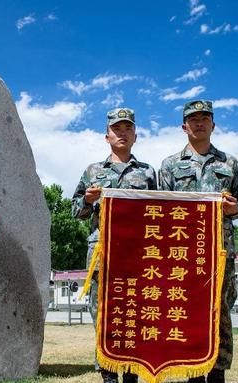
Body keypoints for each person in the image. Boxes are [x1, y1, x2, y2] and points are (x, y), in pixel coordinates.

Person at [158, 100, 238, 383]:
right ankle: (193, 371)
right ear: (184, 126)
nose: (199, 123)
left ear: (213, 124)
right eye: (193, 119)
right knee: (187, 311)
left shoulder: (229, 163)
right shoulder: (170, 165)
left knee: (220, 311)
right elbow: (161, 209)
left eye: (204, 118)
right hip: (184, 253)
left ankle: (218, 372)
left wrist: (235, 208)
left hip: (220, 251)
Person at [72, 107, 157, 383]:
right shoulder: (93, 171)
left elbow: (162, 212)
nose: (122, 133)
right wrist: (87, 200)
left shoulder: (148, 173)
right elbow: (75, 211)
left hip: (137, 254)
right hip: (102, 252)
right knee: (103, 313)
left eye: (127, 129)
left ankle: (132, 373)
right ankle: (107, 374)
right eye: (116, 129)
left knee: (134, 311)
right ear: (106, 136)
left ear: (136, 135)